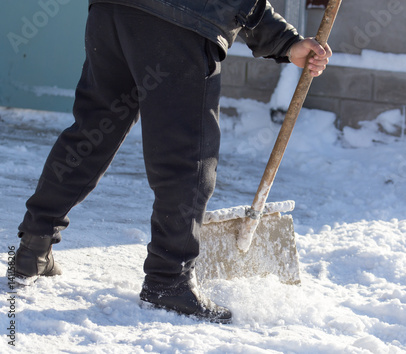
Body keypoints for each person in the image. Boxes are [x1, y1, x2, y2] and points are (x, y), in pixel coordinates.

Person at [13, 0, 332, 324]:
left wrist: (288, 42)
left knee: (93, 130)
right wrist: (285, 40)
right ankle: (169, 279)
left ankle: (33, 246)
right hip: (181, 22)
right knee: (187, 155)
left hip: (113, 12)